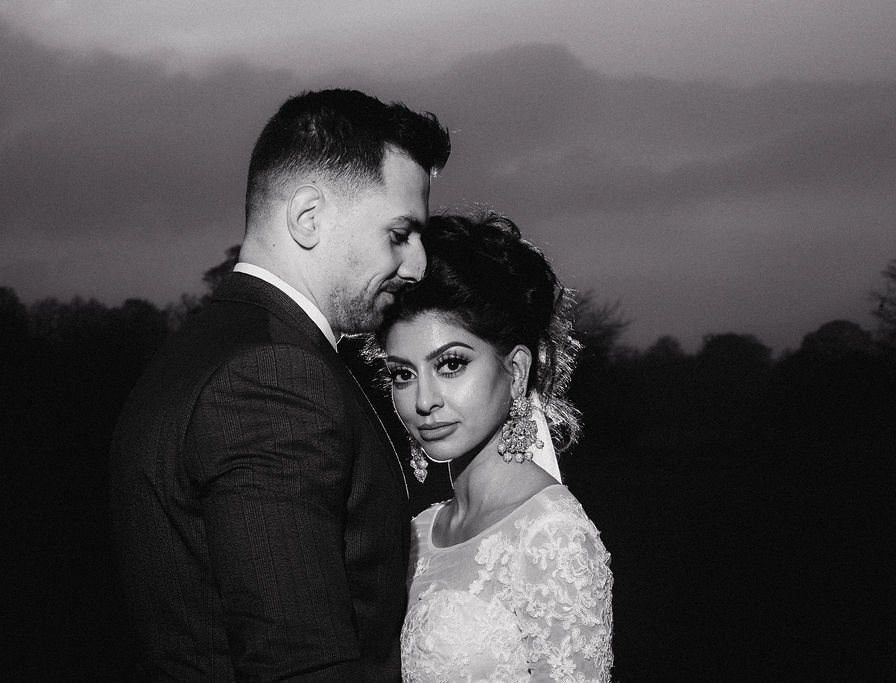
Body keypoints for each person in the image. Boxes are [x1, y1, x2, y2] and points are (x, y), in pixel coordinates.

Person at [109, 89, 450, 679]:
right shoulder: (272, 378)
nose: (417, 264)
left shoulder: (203, 349)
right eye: (399, 233)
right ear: (308, 217)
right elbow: (298, 664)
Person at [375, 213, 614, 681]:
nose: (423, 400)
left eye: (450, 364)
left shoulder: (550, 536)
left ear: (517, 370)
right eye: (402, 374)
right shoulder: (418, 532)